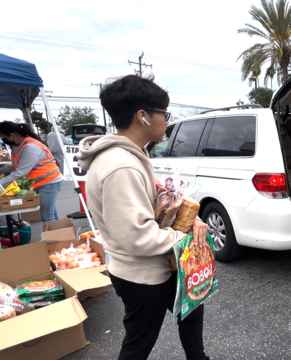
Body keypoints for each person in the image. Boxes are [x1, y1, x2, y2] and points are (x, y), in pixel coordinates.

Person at [78, 75, 217, 360]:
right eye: (164, 114)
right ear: (143, 116)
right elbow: (137, 236)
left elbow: (157, 199)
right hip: (141, 275)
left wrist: (192, 219)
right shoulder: (120, 166)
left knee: (191, 310)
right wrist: (186, 236)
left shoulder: (133, 155)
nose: (167, 120)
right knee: (139, 343)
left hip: (158, 266)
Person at [0, 122, 63, 222]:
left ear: (12, 135)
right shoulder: (21, 146)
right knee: (51, 213)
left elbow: (20, 172)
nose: (2, 140)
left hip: (49, 182)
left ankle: (54, 237)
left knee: (47, 215)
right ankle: (61, 234)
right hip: (41, 182)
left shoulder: (31, 148)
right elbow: (17, 165)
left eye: (2, 137)